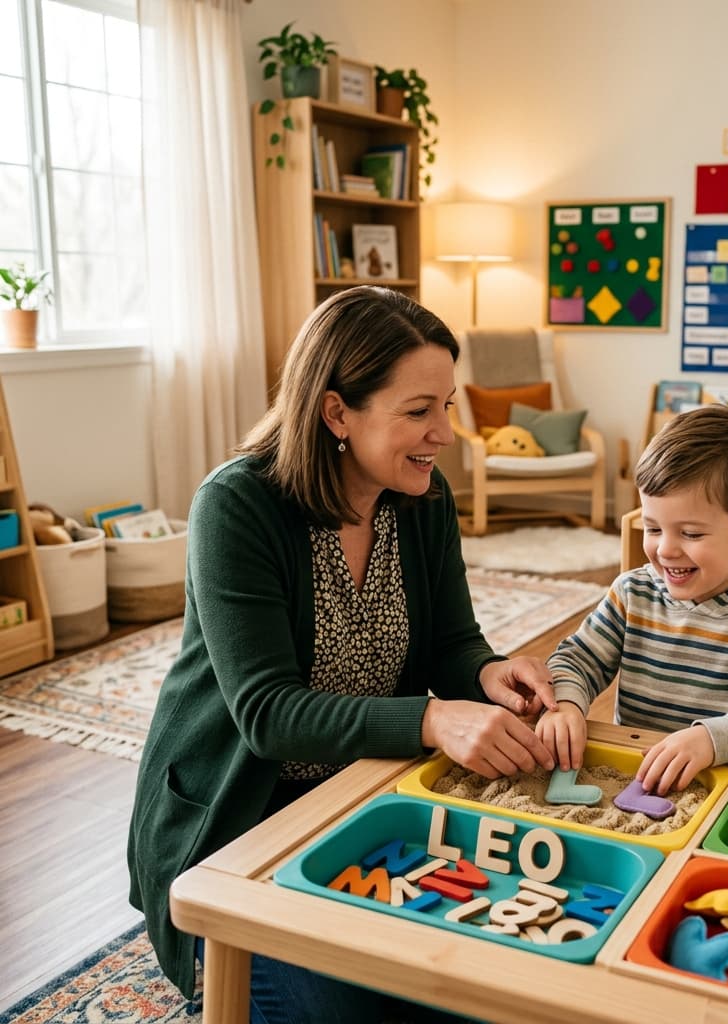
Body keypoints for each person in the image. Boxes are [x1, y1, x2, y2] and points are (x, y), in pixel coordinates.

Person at [126, 286, 558, 1023]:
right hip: (239, 823)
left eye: (446, 405)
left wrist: (488, 673)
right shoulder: (237, 506)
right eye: (419, 411)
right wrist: (433, 722)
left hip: (360, 800)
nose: (445, 433)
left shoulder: (422, 497)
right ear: (336, 413)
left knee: (474, 985)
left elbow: (452, 643)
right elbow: (268, 715)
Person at [536, 405, 728, 795]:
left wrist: (712, 741)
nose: (665, 550)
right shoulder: (633, 593)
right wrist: (566, 704)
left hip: (724, 792)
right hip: (635, 782)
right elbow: (577, 659)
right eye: (652, 527)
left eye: (692, 534)